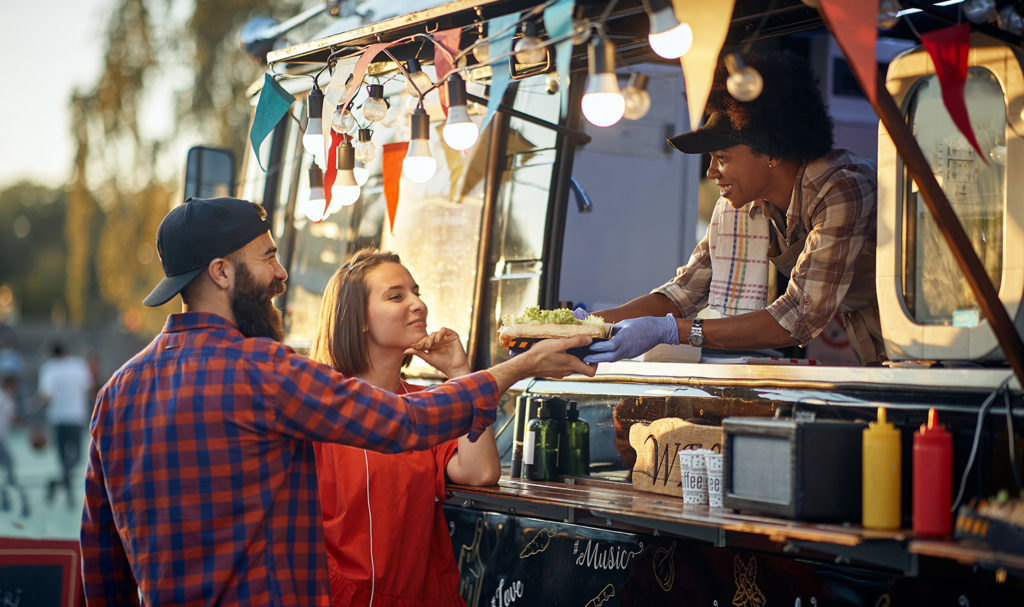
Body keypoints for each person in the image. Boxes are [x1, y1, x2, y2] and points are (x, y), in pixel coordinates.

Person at [80, 197, 594, 607]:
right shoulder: (261, 371)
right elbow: (406, 422)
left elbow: (100, 562)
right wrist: (522, 365)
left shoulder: (115, 395)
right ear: (221, 272)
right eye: (268, 258)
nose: (282, 275)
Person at [586, 52, 882, 366]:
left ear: (772, 152)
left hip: (919, 333)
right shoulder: (742, 204)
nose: (711, 172)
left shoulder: (843, 188)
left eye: (722, 158)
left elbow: (798, 317)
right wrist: (588, 324)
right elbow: (684, 292)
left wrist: (672, 331)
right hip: (866, 337)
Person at [310, 249, 500, 607]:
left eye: (417, 292)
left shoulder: (422, 404)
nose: (418, 304)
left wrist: (460, 374)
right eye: (397, 296)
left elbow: (481, 471)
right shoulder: (319, 405)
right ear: (358, 319)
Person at [37, 340, 92, 508]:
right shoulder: (79, 365)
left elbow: (46, 395)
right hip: (76, 417)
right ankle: (69, 497)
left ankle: (56, 483)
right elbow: (89, 389)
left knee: (63, 460)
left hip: (59, 419)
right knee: (76, 458)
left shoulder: (49, 368)